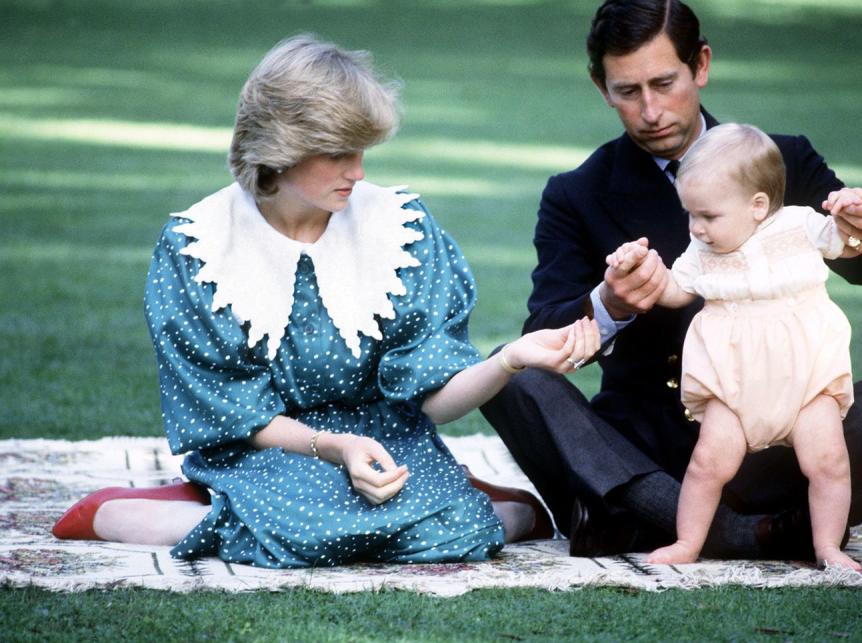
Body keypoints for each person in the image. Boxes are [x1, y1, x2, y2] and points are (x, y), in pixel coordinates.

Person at [52, 35, 602, 569]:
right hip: (265, 448)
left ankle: (428, 496)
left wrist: (509, 359)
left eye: (362, 151)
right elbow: (231, 412)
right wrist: (333, 447)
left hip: (387, 440)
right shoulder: (200, 247)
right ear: (280, 150)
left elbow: (430, 399)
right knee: (312, 531)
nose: (358, 173)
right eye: (338, 154)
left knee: (468, 531)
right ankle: (177, 509)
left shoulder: (400, 231)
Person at [480, 0, 862, 561]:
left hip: (779, 437)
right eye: (627, 91)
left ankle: (638, 523)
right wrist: (610, 303)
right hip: (642, 452)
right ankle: (745, 532)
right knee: (512, 371)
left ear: (701, 65)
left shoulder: (782, 160)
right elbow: (543, 332)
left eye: (665, 83)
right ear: (601, 87)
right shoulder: (576, 193)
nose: (650, 110)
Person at [612, 123, 862, 569]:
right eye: (690, 214)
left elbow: (844, 241)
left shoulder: (800, 226)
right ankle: (688, 543)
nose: (697, 228)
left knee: (828, 461)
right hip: (734, 378)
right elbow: (675, 290)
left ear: (758, 206)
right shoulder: (700, 251)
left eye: (708, 216)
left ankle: (827, 546)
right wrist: (645, 269)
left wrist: (848, 210)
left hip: (806, 374)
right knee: (707, 461)